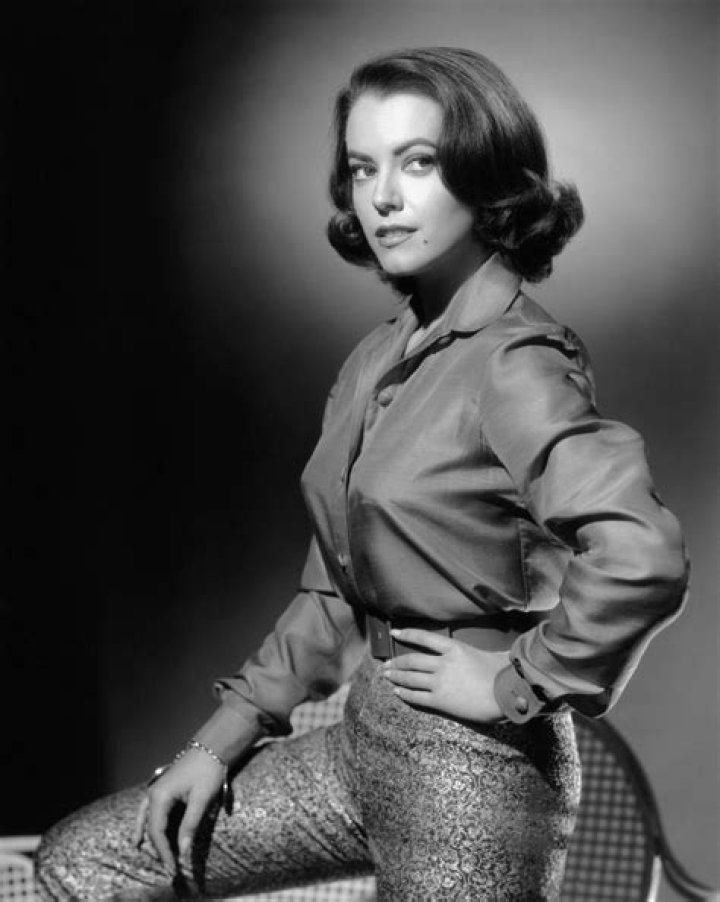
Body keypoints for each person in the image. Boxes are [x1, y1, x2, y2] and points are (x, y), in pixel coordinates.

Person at [36, 46, 689, 901]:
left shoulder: (515, 363)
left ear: (486, 177)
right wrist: (217, 741)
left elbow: (641, 554)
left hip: (471, 768)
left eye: (418, 162)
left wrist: (517, 682)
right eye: (361, 168)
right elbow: (335, 594)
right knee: (86, 861)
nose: (381, 197)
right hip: (360, 740)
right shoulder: (376, 361)